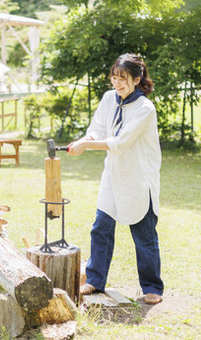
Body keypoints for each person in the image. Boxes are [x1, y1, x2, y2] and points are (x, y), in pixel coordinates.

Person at [67, 53, 164, 305]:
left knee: (144, 235)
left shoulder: (145, 108)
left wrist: (86, 146)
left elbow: (120, 142)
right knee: (101, 227)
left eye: (123, 78)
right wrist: (83, 141)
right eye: (114, 77)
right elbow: (97, 130)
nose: (117, 83)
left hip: (139, 179)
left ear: (136, 79)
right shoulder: (109, 98)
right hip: (113, 174)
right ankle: (95, 279)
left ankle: (152, 287)